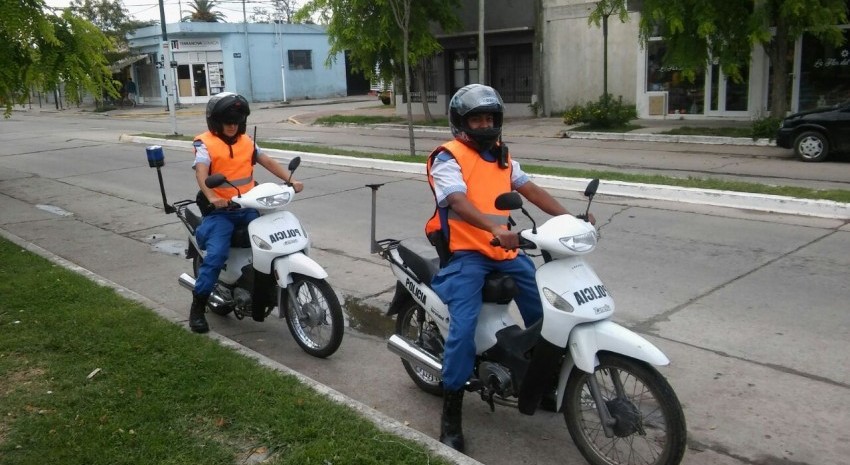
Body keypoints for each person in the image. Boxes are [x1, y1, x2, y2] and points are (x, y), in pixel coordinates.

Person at [424, 84, 594, 452]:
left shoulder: (502, 156)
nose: (485, 124)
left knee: (548, 307)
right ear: (461, 123)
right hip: (468, 253)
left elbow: (529, 189)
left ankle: (540, 381)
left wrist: (570, 218)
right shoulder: (447, 157)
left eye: (490, 118)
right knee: (464, 329)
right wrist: (493, 227)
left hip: (504, 250)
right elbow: (455, 200)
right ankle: (451, 415)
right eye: (477, 118)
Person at [189, 92, 303, 333]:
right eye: (227, 121)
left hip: (249, 207)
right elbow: (201, 172)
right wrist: (212, 197)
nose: (232, 126)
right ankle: (197, 308)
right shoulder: (205, 143)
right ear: (216, 121)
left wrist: (290, 180)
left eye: (236, 121)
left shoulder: (247, 141)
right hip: (220, 212)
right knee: (217, 255)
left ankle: (259, 290)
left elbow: (267, 161)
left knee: (274, 241)